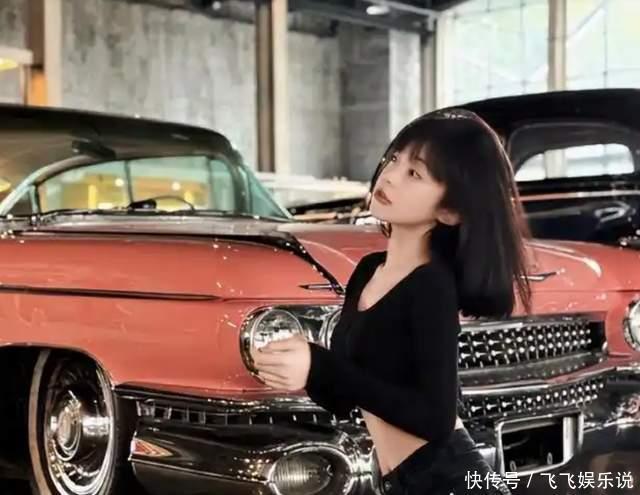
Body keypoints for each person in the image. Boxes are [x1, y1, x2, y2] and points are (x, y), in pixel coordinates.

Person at [249, 108, 532, 495]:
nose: (390, 176)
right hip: (399, 481)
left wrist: (320, 364)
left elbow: (435, 418)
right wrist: (299, 365)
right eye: (394, 159)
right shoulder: (368, 270)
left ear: (450, 211)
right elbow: (342, 395)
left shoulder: (431, 285)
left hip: (446, 479)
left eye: (414, 173)